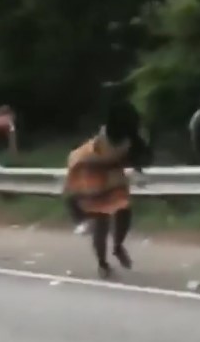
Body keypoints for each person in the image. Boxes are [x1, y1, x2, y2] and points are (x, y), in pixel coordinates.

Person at [64, 102, 151, 278]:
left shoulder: (132, 138)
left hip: (111, 171)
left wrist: (137, 168)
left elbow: (140, 157)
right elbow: (86, 160)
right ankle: (102, 263)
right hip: (90, 170)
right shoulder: (103, 140)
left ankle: (118, 246)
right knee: (101, 219)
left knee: (124, 210)